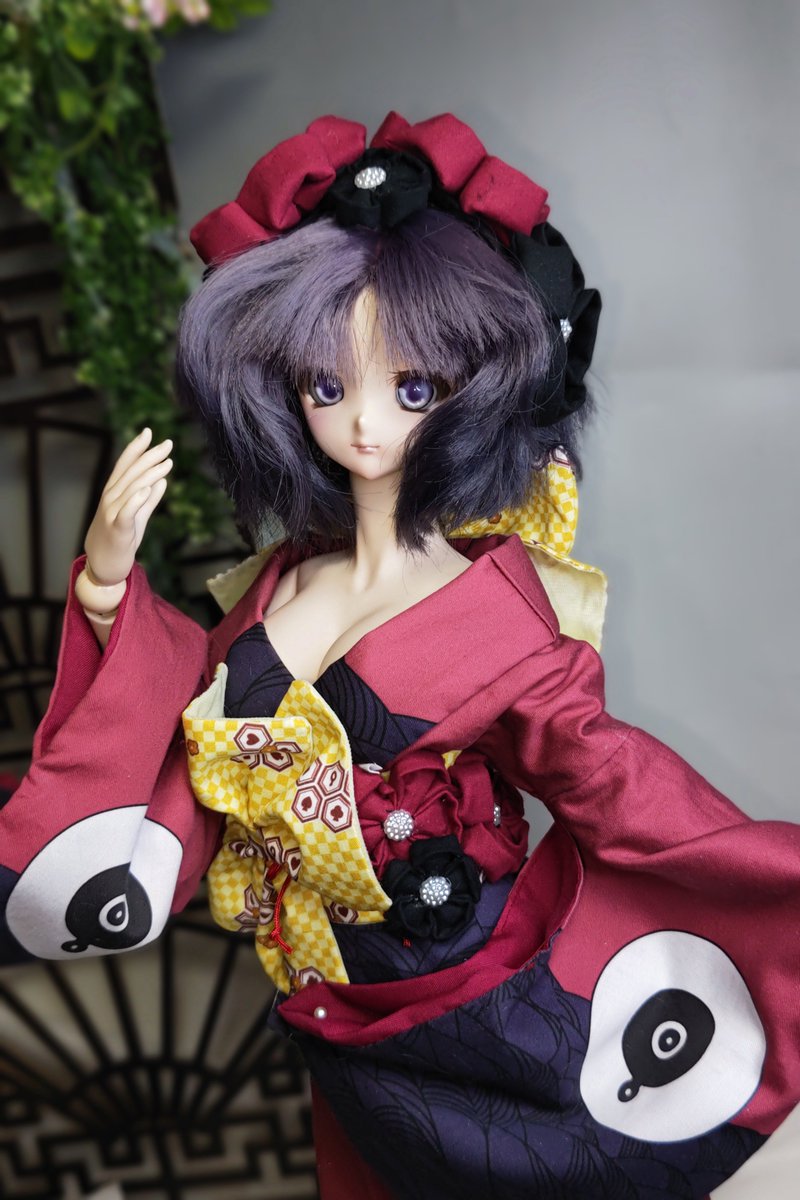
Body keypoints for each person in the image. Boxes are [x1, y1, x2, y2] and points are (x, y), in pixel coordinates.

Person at [1, 112, 798, 1200]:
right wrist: (105, 591)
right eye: (327, 387)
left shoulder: (494, 617)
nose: (364, 425)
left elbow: (612, 780)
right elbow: (184, 770)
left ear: (474, 388)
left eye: (411, 389)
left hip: (480, 990)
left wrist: (765, 875)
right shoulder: (278, 592)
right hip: (335, 1003)